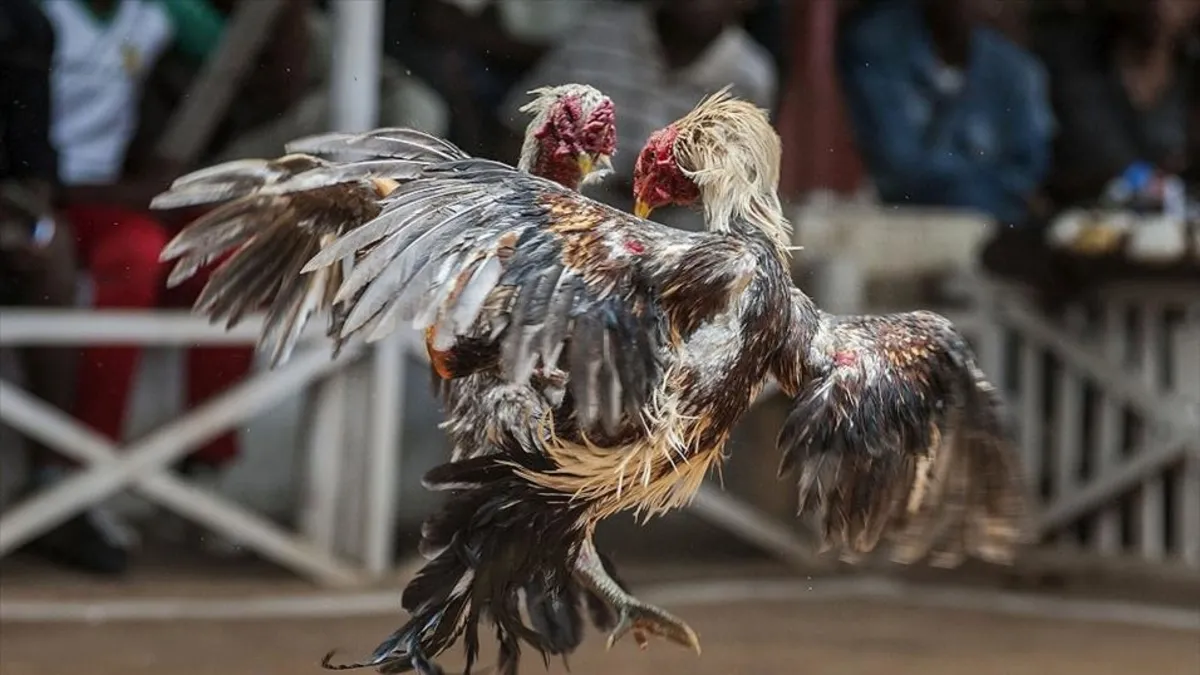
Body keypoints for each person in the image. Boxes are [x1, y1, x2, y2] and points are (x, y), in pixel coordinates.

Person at [29, 0, 256, 576]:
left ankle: (208, 466)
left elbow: (241, 54)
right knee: (134, 259)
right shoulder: (36, 14)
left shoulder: (153, 15)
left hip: (116, 195)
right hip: (50, 194)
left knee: (229, 256)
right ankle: (84, 475)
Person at [496, 0, 777, 228]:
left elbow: (738, 194)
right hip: (564, 224)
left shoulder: (749, 77)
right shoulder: (597, 32)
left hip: (672, 250)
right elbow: (515, 131)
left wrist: (673, 189)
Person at [837, 0, 1054, 228]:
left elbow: (1026, 172)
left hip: (988, 224)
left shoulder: (1016, 70)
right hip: (900, 223)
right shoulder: (877, 43)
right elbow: (900, 171)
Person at [1, 0, 80, 531]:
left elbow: (34, 156)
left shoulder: (24, 24)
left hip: (6, 204)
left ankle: (55, 482)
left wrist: (30, 222)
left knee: (53, 254)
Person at [1036, 0, 1199, 212]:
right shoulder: (1070, 67)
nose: (1161, 5)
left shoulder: (1192, 77)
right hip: (1081, 225)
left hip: (1172, 232)